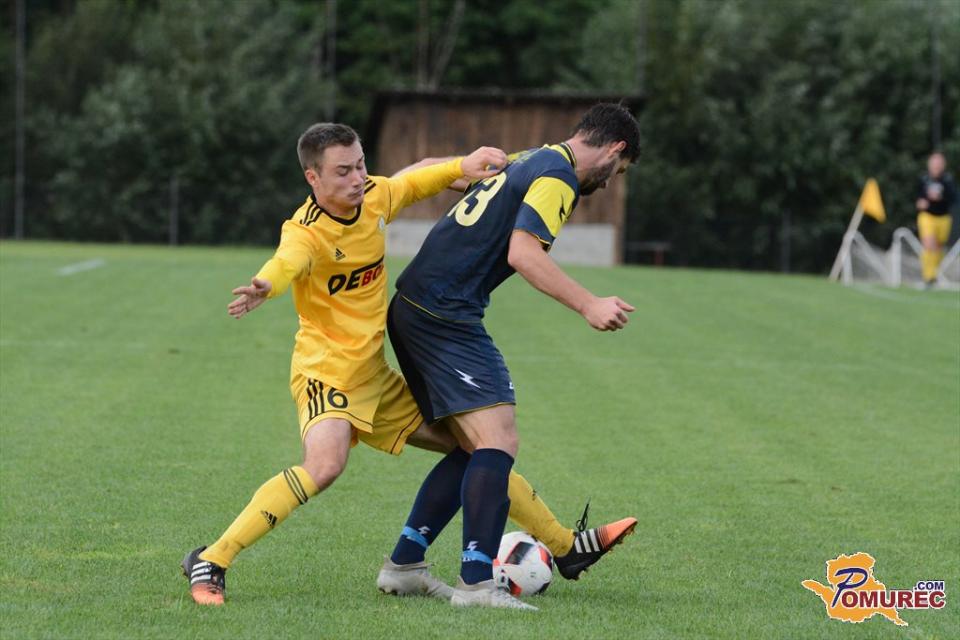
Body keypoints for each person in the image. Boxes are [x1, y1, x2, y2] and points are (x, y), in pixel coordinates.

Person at [181, 122, 632, 606]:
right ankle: (213, 559)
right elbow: (287, 260)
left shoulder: (373, 197)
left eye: (360, 165)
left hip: (373, 377)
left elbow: (413, 178)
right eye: (343, 171)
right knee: (326, 465)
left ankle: (559, 547)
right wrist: (266, 285)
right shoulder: (306, 231)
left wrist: (461, 165)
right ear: (313, 178)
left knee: (475, 447)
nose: (358, 178)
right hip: (326, 373)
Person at [383, 103, 642, 611]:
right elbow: (523, 253)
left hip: (417, 306)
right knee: (498, 440)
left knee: (473, 446)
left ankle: (405, 564)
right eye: (621, 169)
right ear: (615, 148)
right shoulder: (559, 177)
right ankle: (477, 585)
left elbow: (427, 171)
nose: (612, 181)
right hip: (442, 314)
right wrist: (588, 304)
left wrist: (412, 179)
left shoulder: (528, 158)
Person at [915, 151, 957, 286]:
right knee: (929, 244)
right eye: (934, 162)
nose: (936, 165)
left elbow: (954, 198)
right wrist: (920, 203)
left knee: (938, 248)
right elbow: (918, 198)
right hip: (927, 216)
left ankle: (935, 275)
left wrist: (941, 198)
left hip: (943, 218)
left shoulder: (947, 180)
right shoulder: (924, 179)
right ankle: (928, 277)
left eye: (939, 163)